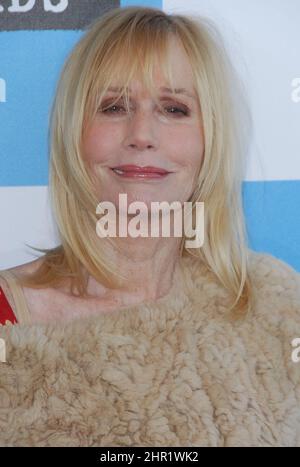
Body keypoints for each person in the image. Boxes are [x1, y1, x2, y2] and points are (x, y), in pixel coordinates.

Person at [0, 5, 299, 447]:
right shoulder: (9, 321)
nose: (141, 133)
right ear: (74, 134)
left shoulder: (278, 308)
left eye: (174, 108)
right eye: (114, 106)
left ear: (209, 139)